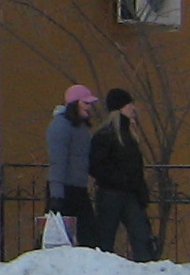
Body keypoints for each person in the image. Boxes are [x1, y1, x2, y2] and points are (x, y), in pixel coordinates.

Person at [87, 88, 159, 261]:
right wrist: (121, 180)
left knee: (141, 235)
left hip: (128, 193)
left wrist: (140, 190)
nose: (133, 108)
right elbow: (96, 167)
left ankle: (145, 269)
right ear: (120, 108)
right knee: (106, 239)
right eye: (129, 105)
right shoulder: (107, 135)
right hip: (111, 194)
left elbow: (135, 168)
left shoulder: (128, 135)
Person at [44, 84, 100, 246]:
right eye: (86, 103)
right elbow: (57, 162)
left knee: (88, 236)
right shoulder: (60, 126)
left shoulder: (80, 127)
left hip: (78, 189)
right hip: (63, 191)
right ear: (74, 103)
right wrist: (56, 195)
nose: (89, 108)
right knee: (59, 237)